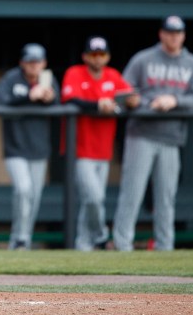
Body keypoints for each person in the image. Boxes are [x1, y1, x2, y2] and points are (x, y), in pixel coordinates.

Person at [112, 15, 193, 251]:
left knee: (166, 197)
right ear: (161, 34)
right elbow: (122, 91)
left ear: (183, 35)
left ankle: (165, 246)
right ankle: (122, 245)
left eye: (178, 32)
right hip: (141, 133)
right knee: (132, 192)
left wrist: (173, 99)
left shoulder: (192, 63)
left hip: (172, 137)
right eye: (169, 32)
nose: (173, 37)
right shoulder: (143, 59)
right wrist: (142, 101)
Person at [61, 36, 139, 251]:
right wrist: (98, 105)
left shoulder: (113, 75)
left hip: (103, 149)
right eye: (93, 54)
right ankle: (101, 235)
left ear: (108, 57)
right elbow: (70, 99)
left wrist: (132, 100)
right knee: (94, 198)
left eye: (101, 54)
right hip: (80, 148)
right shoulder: (75, 73)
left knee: (92, 199)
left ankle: (83, 245)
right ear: (86, 56)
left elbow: (130, 95)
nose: (97, 58)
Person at [0, 43, 59, 250]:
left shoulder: (48, 79)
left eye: (37, 61)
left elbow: (61, 103)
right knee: (23, 190)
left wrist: (50, 98)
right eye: (30, 61)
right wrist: (28, 96)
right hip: (16, 147)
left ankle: (24, 240)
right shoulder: (12, 78)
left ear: (44, 63)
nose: (34, 65)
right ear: (22, 62)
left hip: (39, 148)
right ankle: (19, 238)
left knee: (34, 196)